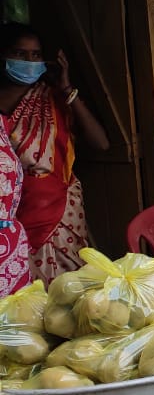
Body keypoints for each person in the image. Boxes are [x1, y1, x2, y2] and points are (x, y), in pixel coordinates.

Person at [0, 23, 109, 284]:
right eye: (20, 54)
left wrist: (67, 88)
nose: (29, 62)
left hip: (58, 212)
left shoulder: (52, 98)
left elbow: (101, 143)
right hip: (8, 215)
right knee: (20, 294)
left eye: (36, 55)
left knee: (66, 290)